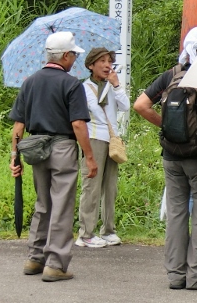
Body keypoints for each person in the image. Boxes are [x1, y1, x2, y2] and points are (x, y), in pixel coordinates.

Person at [133, 26, 197, 290]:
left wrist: (167, 126)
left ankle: (176, 276)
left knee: (176, 214)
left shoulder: (171, 75)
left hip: (171, 155)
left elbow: (140, 105)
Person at [9, 31, 97, 282]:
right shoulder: (72, 84)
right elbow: (78, 124)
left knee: (43, 204)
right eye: (74, 55)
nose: (75, 60)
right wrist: (90, 157)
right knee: (61, 206)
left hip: (36, 149)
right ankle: (55, 264)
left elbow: (18, 126)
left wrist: (14, 157)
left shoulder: (30, 82)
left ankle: (35, 258)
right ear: (65, 55)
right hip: (62, 148)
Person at [76, 47, 130, 248]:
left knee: (110, 187)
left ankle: (108, 230)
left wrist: (116, 85)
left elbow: (125, 106)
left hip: (112, 140)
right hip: (93, 138)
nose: (107, 65)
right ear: (91, 65)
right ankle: (85, 233)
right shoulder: (83, 88)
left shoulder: (112, 86)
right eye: (102, 61)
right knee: (91, 186)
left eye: (109, 61)